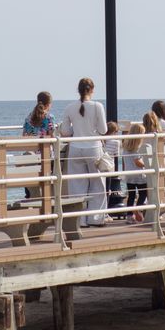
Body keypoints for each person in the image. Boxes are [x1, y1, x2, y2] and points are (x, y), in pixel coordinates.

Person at [59, 77, 109, 226]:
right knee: (98, 184)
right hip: (93, 148)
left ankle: (79, 220)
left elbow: (65, 132)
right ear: (92, 90)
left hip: (75, 148)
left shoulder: (69, 107)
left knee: (76, 185)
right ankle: (96, 218)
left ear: (78, 90)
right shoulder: (97, 106)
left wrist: (77, 129)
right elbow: (103, 130)